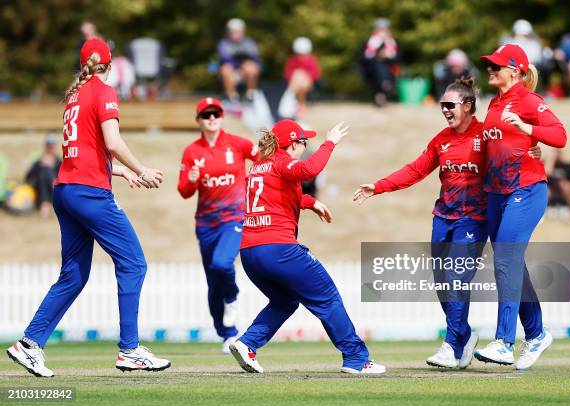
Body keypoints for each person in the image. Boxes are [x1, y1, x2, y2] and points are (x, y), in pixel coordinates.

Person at [6, 38, 170, 377]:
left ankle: (29, 343)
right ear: (110, 66)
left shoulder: (74, 96)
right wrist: (141, 169)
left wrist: (121, 172)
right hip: (89, 193)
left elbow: (88, 151)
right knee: (134, 263)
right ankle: (130, 350)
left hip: (66, 191)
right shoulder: (104, 92)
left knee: (74, 275)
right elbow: (112, 142)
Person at [354, 77, 543, 369]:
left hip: (475, 219)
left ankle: (451, 345)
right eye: (442, 105)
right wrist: (377, 187)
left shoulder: (487, 136)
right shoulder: (441, 139)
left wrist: (533, 149)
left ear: (468, 106)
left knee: (456, 278)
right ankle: (465, 336)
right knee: (443, 285)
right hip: (443, 218)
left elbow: (514, 145)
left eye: (449, 105)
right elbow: (415, 170)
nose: (444, 110)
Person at [229, 120, 385, 375]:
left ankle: (247, 343)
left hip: (249, 253)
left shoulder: (259, 167)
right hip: (279, 249)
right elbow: (309, 169)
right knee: (328, 296)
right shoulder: (282, 162)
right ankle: (357, 358)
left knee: (285, 301)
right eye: (303, 142)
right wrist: (330, 142)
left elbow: (275, 195)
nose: (305, 145)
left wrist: (310, 202)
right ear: (292, 144)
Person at [474, 44, 567, 370]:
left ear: (516, 71)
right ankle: (538, 333)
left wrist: (529, 130)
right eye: (490, 65)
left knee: (507, 258)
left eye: (497, 66)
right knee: (509, 261)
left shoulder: (529, 100)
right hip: (498, 193)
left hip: (526, 190)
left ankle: (503, 342)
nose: (491, 70)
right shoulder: (495, 103)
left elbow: (559, 135)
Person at [177, 97, 259, 354]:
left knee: (222, 264)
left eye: (216, 114)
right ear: (199, 120)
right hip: (206, 223)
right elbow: (183, 191)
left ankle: (232, 296)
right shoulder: (192, 151)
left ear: (222, 117)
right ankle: (227, 334)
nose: (211, 119)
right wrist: (190, 181)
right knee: (213, 283)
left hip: (234, 217)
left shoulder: (237, 143)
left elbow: (262, 160)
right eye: (206, 115)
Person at [500, 19, 554, 90]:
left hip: (532, 66)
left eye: (525, 35)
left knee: (547, 65)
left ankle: (543, 89)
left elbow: (537, 58)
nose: (522, 37)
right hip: (515, 66)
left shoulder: (534, 43)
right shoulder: (509, 42)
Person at [217, 18, 261, 103]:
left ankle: (250, 96)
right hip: (232, 72)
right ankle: (232, 98)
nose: (235, 34)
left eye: (237, 31)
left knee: (250, 67)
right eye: (233, 32)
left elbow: (255, 58)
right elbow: (225, 58)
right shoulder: (224, 43)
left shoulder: (249, 43)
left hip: (245, 72)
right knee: (226, 69)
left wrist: (243, 63)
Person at [278, 37, 321, 119]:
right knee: (298, 75)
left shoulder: (311, 60)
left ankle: (289, 101)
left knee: (299, 75)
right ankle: (300, 105)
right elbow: (287, 74)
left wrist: (303, 75)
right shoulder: (292, 60)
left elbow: (316, 74)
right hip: (296, 84)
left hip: (307, 84)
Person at [360, 18, 399, 107]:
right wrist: (378, 54)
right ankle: (383, 87)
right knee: (378, 66)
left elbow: (396, 58)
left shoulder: (391, 42)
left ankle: (383, 89)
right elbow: (365, 57)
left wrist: (386, 55)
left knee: (384, 68)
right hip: (372, 70)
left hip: (389, 70)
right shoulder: (372, 41)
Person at [25, 133, 62, 218]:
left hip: (54, 189)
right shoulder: (38, 161)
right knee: (45, 171)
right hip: (39, 189)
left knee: (47, 172)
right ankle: (46, 205)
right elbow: (28, 178)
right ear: (45, 146)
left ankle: (45, 206)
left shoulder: (59, 162)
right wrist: (40, 165)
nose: (50, 148)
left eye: (52, 146)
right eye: (49, 146)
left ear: (56, 146)